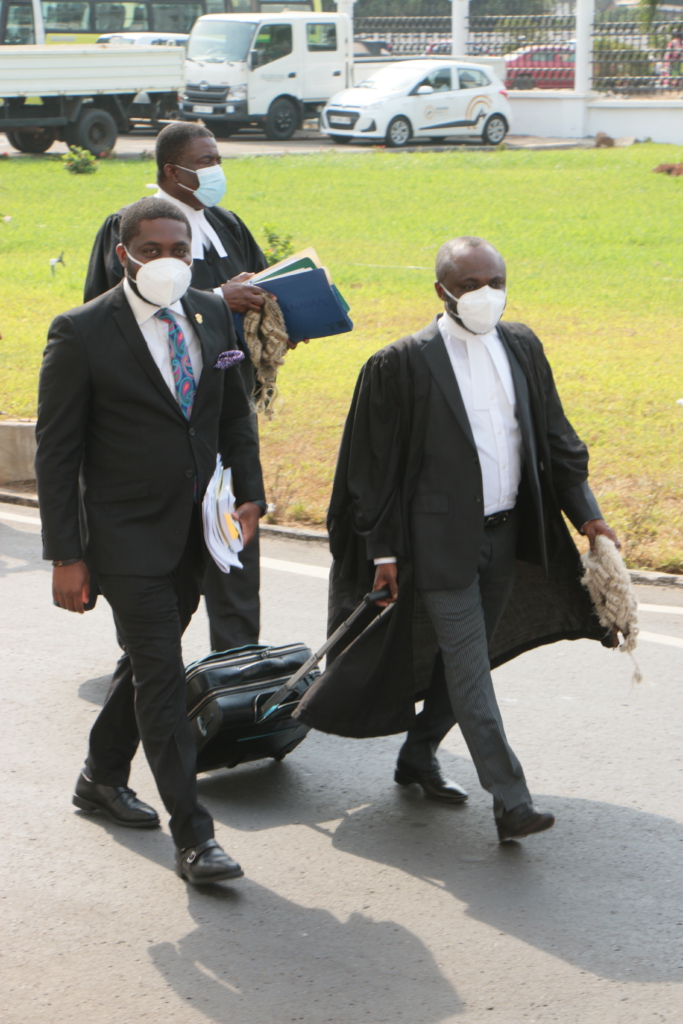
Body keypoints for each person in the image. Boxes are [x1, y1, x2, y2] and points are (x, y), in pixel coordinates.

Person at [294, 236, 620, 843]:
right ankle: (511, 799)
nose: (485, 295)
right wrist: (384, 552)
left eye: (495, 281)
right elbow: (374, 475)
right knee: (471, 668)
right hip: (437, 545)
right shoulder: (401, 364)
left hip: (506, 535)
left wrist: (588, 516)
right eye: (470, 285)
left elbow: (556, 439)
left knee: (468, 661)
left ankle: (418, 756)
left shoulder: (521, 346)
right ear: (441, 290)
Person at [36, 197, 265, 884]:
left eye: (180, 250)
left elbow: (233, 416)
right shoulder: (80, 332)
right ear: (122, 254)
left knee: (144, 661)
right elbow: (57, 453)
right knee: (163, 673)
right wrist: (66, 555)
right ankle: (194, 837)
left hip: (198, 530)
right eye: (153, 248)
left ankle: (100, 777)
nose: (167, 261)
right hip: (123, 534)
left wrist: (248, 494)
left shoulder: (210, 312)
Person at [84, 121, 269, 654]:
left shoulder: (226, 226)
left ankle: (236, 667)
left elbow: (258, 288)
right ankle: (149, 661)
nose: (216, 171)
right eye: (205, 161)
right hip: (161, 416)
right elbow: (111, 313)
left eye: (218, 159)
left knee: (234, 534)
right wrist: (218, 299)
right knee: (163, 552)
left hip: (225, 407)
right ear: (172, 171)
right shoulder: (126, 229)